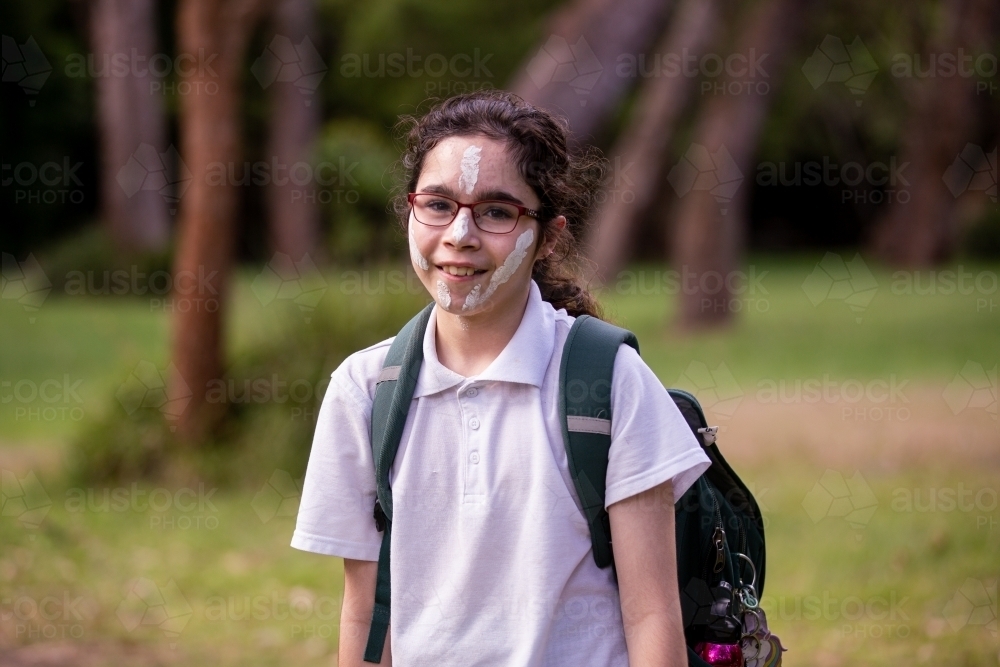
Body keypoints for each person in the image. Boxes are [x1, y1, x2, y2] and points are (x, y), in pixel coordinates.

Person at [291, 90, 711, 666]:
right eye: (437, 204)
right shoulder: (364, 390)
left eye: (495, 212)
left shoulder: (609, 380)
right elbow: (365, 615)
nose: (460, 234)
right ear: (409, 211)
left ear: (548, 236)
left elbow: (652, 615)